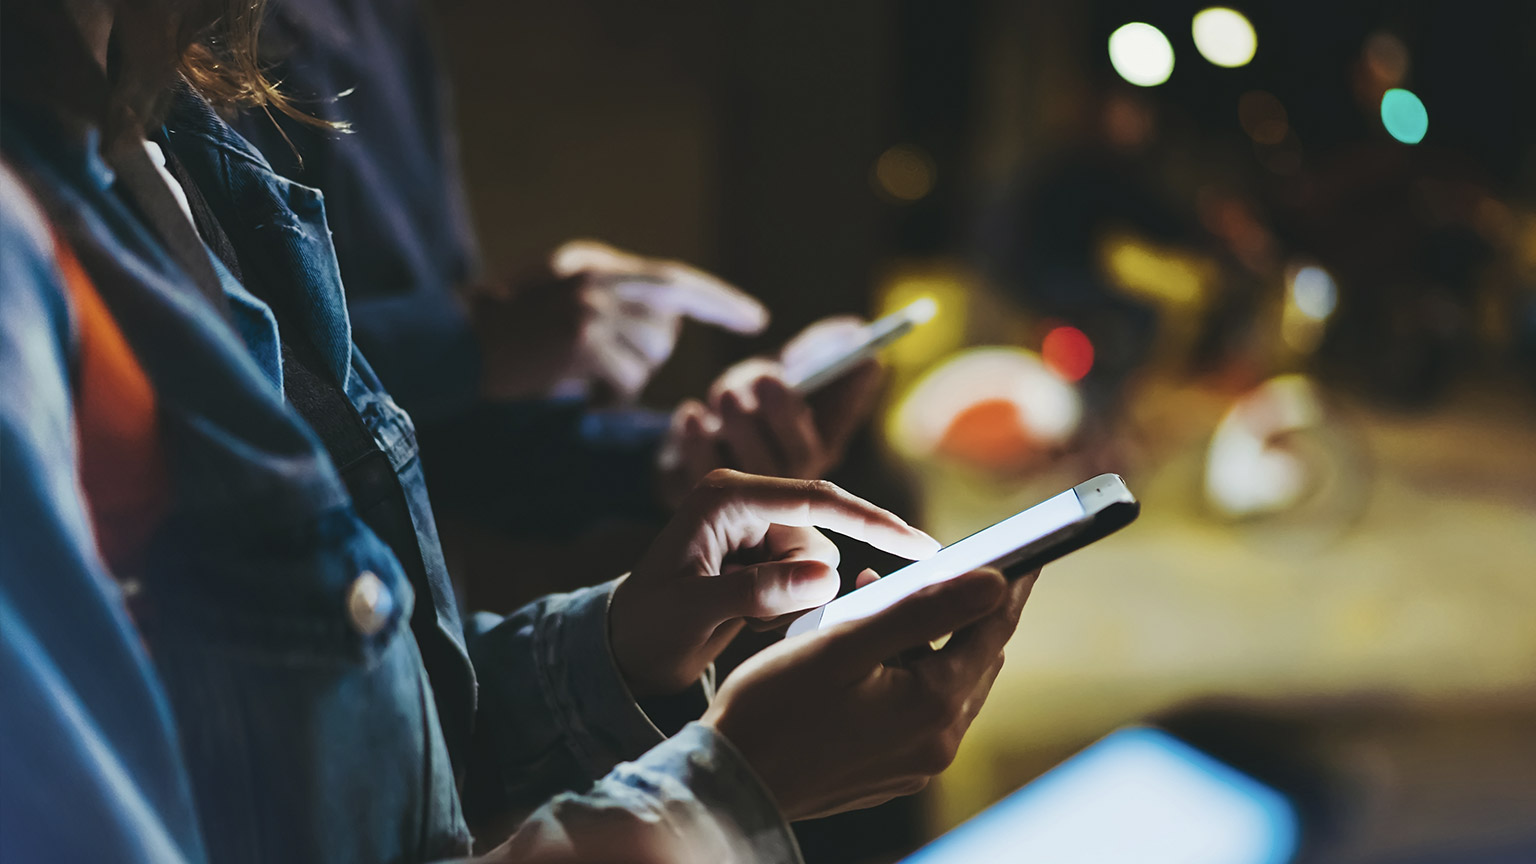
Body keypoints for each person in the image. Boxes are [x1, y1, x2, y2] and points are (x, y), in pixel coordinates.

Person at [0, 3, 1035, 862]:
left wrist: (618, 655)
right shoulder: (28, 252)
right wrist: (724, 797)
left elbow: (318, 758)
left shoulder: (171, 136)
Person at [234, 0, 885, 537]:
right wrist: (473, 339)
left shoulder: (383, 22)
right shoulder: (172, 40)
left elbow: (432, 438)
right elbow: (196, 391)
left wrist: (684, 457)